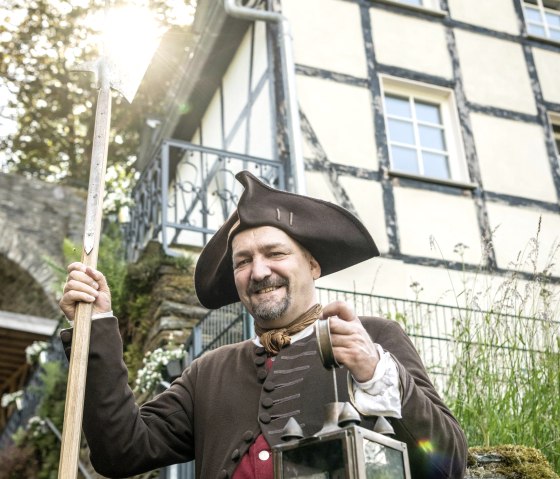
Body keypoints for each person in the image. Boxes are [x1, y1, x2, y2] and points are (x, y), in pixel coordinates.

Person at [59, 170, 467, 479]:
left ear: (312, 264)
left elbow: (449, 460)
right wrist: (95, 325)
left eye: (275, 253)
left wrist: (376, 371)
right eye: (243, 261)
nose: (259, 271)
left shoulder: (375, 337)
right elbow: (120, 451)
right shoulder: (209, 372)